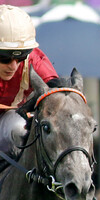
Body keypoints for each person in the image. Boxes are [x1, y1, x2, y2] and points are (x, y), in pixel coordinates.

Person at [0, 5, 59, 154]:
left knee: (19, 128)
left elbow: (57, 92)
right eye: (4, 58)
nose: (13, 66)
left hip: (8, 121)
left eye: (20, 57)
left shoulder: (34, 60)